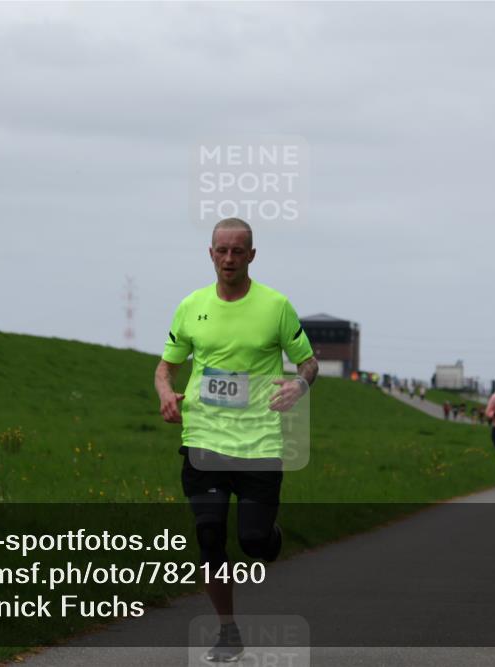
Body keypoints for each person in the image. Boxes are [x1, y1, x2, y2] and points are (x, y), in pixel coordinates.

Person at [154, 217, 318, 662]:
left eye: (238, 251)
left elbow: (308, 363)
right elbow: (165, 366)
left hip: (260, 445)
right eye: (221, 251)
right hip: (204, 439)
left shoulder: (275, 306)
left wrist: (299, 386)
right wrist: (167, 394)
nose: (229, 259)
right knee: (209, 535)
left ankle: (269, 537)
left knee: (253, 543)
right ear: (210, 254)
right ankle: (228, 632)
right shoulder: (191, 306)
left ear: (251, 255)